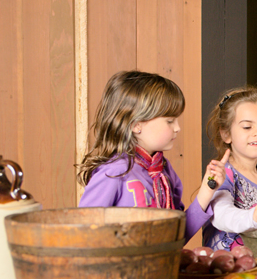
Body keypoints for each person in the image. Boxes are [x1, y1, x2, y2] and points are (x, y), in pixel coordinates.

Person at [77, 71, 219, 241]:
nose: (177, 128)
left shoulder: (164, 172)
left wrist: (206, 190)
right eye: (169, 121)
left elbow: (176, 237)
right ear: (137, 125)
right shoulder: (114, 172)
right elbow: (84, 232)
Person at [201, 88, 257, 251]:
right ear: (226, 134)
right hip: (226, 268)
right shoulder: (223, 175)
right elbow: (221, 215)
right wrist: (253, 217)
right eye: (247, 127)